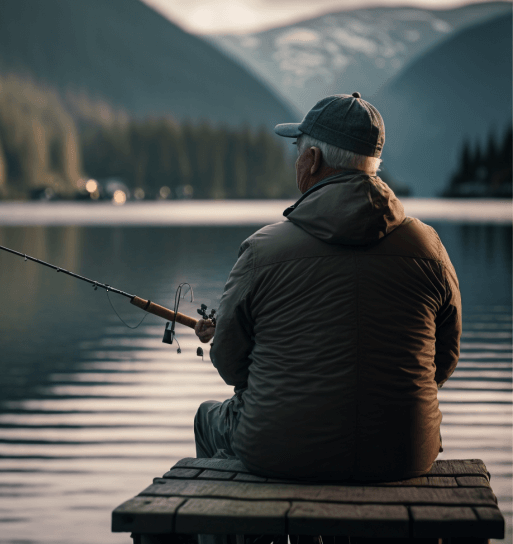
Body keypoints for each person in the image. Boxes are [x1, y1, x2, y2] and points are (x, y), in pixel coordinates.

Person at [193, 92, 461, 481]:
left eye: (297, 151)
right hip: (404, 455)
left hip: (282, 453)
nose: (296, 161)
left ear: (313, 159)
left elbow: (230, 364)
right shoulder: (428, 247)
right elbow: (444, 358)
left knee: (207, 417)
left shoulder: (262, 250)